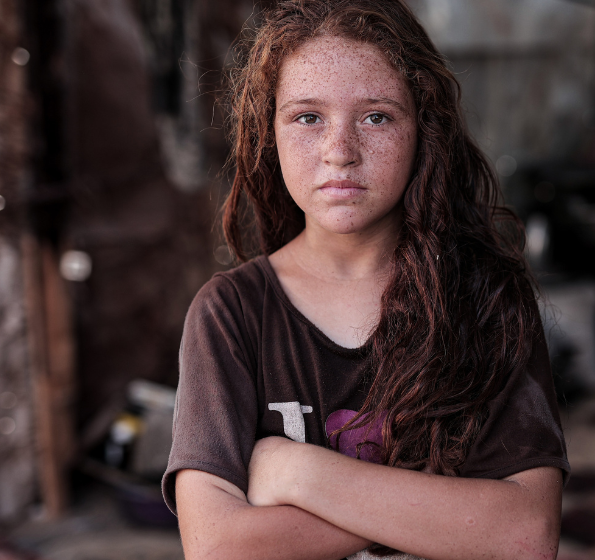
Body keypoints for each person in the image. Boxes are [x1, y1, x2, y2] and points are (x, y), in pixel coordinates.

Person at [161, 1, 570, 559]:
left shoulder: (485, 298)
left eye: (376, 116)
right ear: (268, 133)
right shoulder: (231, 314)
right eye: (307, 117)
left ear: (423, 127)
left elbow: (525, 535)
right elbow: (217, 548)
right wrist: (448, 515)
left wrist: (299, 472)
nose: (340, 152)